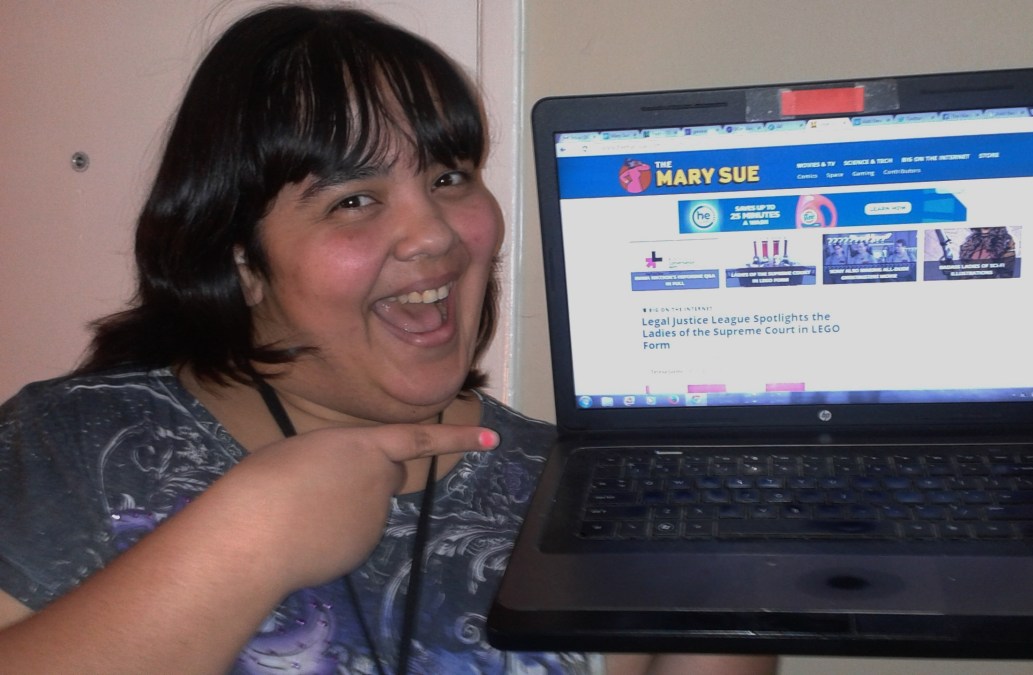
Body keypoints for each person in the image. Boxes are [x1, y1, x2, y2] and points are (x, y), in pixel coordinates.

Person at [0, 5, 776, 675]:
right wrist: (248, 540)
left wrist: (746, 534)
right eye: (354, 199)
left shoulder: (583, 495)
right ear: (242, 260)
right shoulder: (69, 445)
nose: (434, 234)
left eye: (448, 177)